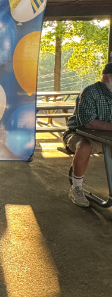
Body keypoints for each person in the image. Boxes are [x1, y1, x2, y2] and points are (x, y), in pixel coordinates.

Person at [63, 62, 112, 207]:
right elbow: (88, 123)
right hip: (78, 132)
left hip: (106, 136)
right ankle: (76, 188)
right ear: (107, 77)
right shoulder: (90, 92)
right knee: (84, 146)